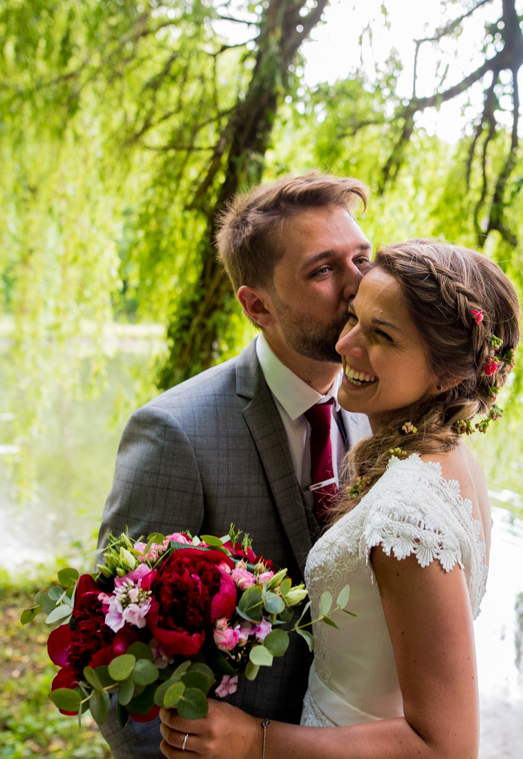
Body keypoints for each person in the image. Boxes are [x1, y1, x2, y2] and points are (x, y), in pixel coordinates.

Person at [156, 239, 522, 759]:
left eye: (382, 336)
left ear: (446, 373)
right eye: (353, 318)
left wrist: (253, 741)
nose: (346, 344)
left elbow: (445, 747)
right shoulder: (449, 459)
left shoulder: (409, 512)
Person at [96, 172, 375, 758]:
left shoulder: (380, 415)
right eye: (323, 270)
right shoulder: (176, 434)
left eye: (362, 259)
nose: (358, 287)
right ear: (257, 306)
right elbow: (114, 655)